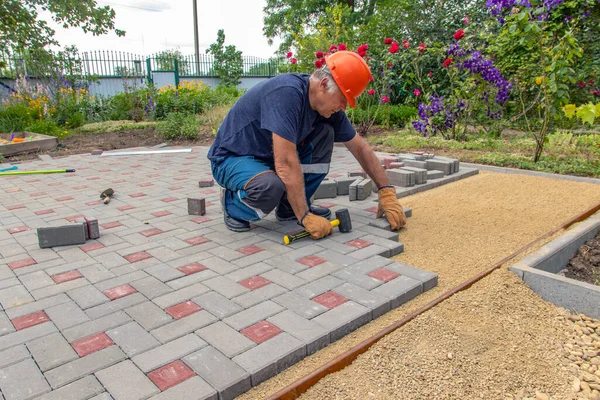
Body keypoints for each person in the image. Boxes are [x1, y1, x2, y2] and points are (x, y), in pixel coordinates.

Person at [207, 50, 407, 239]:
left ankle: (288, 208)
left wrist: (386, 191)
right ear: (324, 84)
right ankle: (233, 207)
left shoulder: (327, 106)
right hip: (233, 158)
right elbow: (285, 162)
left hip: (267, 159)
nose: (344, 107)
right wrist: (305, 217)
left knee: (325, 133)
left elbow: (360, 148)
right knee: (269, 187)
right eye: (343, 98)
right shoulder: (287, 93)